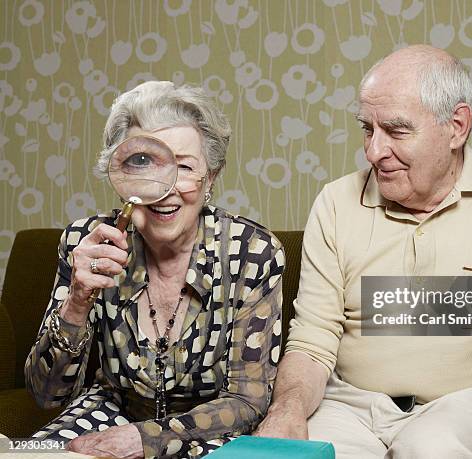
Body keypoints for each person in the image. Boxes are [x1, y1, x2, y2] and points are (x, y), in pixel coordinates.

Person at [255, 45, 472, 457]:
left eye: (396, 130)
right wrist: (287, 409)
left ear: (457, 126)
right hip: (350, 407)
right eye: (367, 129)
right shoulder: (336, 202)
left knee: (428, 450)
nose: (374, 151)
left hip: (462, 406)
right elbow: (313, 337)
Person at [25, 81, 285, 459]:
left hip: (208, 430)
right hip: (111, 414)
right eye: (143, 163)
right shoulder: (85, 242)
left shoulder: (252, 253)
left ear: (209, 178)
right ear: (121, 177)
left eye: (183, 166)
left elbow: (248, 401)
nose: (164, 188)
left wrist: (145, 439)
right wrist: (77, 302)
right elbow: (46, 395)